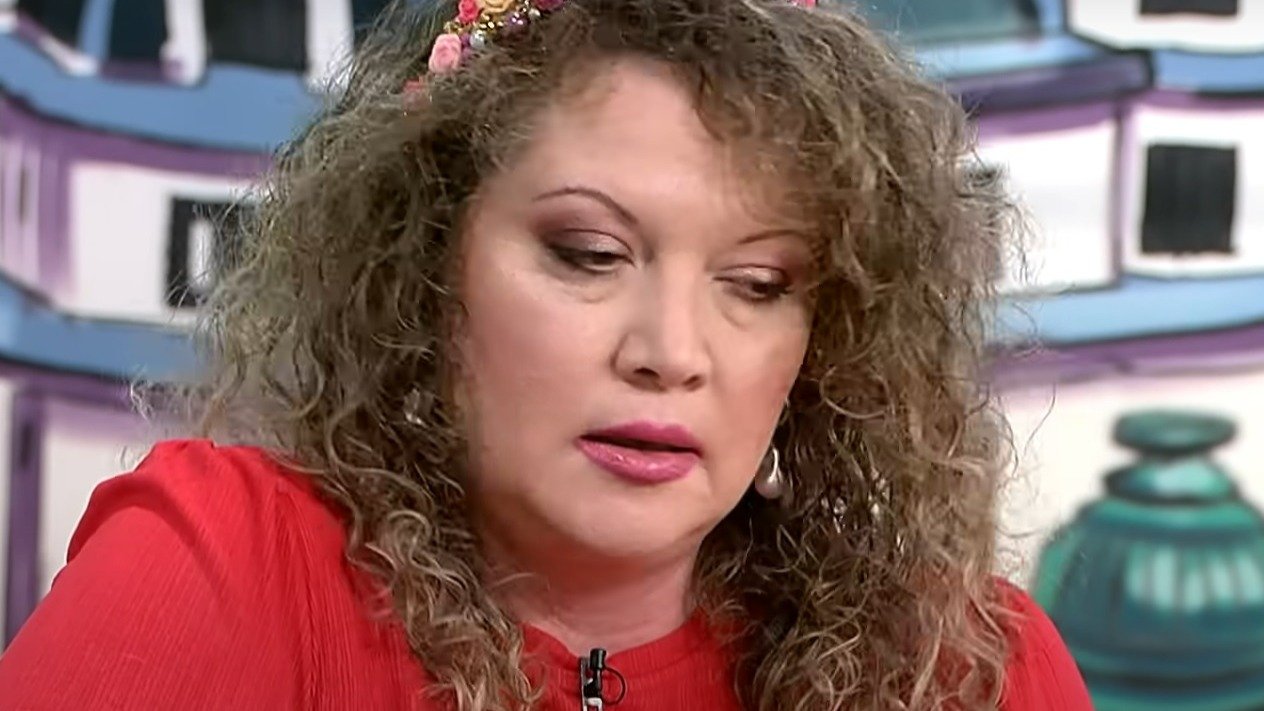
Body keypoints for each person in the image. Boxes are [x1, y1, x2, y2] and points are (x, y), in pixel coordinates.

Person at [0, 0, 1092, 709]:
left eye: (759, 284)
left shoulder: (968, 666)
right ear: (427, 268)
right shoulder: (223, 564)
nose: (670, 353)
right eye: (588, 254)